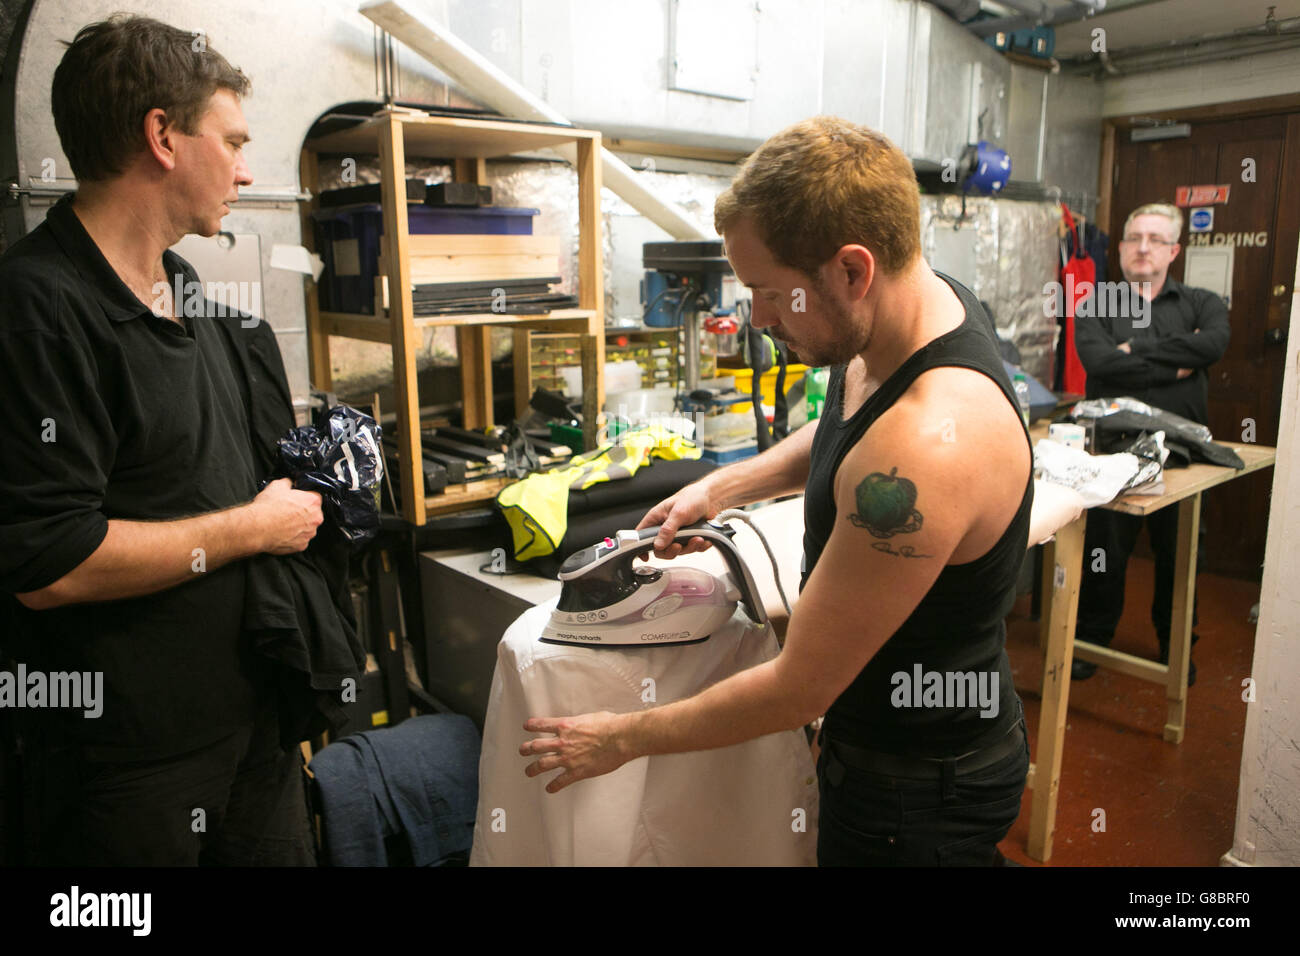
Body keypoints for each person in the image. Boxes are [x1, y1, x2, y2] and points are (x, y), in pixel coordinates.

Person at [518, 116, 1034, 866]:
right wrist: (725, 485)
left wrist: (618, 737)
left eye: (768, 292)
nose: (756, 317)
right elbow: (851, 424)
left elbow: (798, 690)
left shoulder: (925, 446)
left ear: (853, 271)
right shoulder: (915, 309)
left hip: (915, 791)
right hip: (902, 750)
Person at [0, 15, 324, 865]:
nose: (248, 169)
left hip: (250, 721)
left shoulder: (186, 292)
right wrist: (254, 529)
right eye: (233, 141)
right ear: (162, 137)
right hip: (128, 764)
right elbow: (51, 563)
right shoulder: (37, 309)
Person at [1071, 203, 1230, 683]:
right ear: (1119, 248)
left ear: (1174, 250)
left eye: (1155, 239)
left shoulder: (1203, 303)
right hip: (1113, 453)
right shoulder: (1093, 303)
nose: (1143, 248)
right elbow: (1099, 363)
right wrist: (1176, 363)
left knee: (1180, 554)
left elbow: (1213, 345)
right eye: (1134, 237)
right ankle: (1093, 640)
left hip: (1182, 456)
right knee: (1104, 549)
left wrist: (1136, 349)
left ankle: (1174, 646)